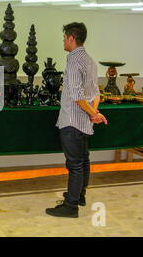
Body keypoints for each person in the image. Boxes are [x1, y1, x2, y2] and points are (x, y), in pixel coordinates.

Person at [46, 22, 108, 218]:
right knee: (83, 160)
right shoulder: (90, 60)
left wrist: (93, 113)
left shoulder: (73, 60)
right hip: (84, 121)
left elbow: (77, 96)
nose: (63, 41)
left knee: (74, 164)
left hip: (72, 120)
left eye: (64, 37)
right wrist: (93, 113)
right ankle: (79, 196)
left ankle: (71, 206)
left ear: (71, 38)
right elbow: (96, 93)